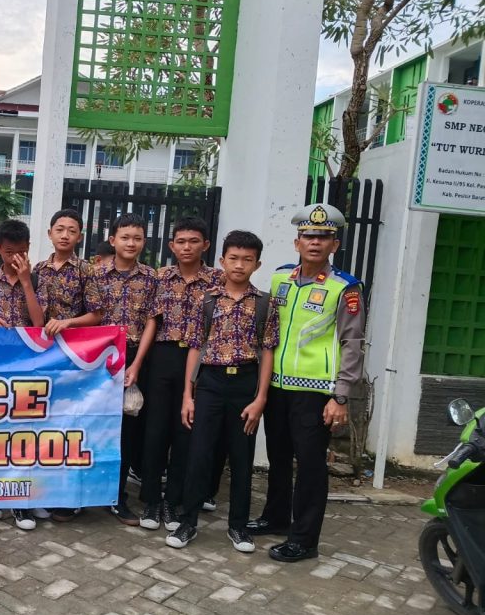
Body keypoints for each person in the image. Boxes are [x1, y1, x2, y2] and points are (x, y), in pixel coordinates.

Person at [248, 203, 366, 563]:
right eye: (309, 236)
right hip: (279, 386)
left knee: (311, 465)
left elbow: (353, 343)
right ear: (297, 242)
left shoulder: (344, 287)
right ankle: (277, 517)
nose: (315, 242)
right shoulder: (280, 279)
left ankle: (304, 540)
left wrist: (341, 397)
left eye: (323, 237)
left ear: (335, 244)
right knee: (278, 457)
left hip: (316, 392)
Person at [169, 230, 279, 553]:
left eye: (247, 260)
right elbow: (194, 347)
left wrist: (260, 399)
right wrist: (188, 396)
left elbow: (268, 351)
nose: (239, 265)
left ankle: (238, 527)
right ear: (221, 261)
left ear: (257, 264)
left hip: (245, 385)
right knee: (199, 453)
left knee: (241, 457)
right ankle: (187, 522)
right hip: (211, 384)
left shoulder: (264, 304)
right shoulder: (207, 300)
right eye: (233, 258)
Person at [139, 217, 221, 531]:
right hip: (163, 357)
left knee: (186, 431)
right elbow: (152, 321)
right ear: (172, 245)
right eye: (181, 242)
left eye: (194, 241)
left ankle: (173, 502)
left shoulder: (218, 280)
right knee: (155, 430)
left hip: (200, 359)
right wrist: (139, 363)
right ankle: (151, 501)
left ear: (206, 245)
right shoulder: (161, 277)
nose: (187, 247)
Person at [84, 213, 157, 525]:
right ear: (112, 240)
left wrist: (137, 364)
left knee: (126, 432)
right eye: (125, 237)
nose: (131, 243)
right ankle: (81, 497)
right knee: (90, 427)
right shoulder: (93, 274)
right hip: (97, 359)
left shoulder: (152, 278)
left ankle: (117, 497)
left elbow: (152, 321)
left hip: (134, 358)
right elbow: (84, 316)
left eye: (137, 238)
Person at [35, 209, 103, 523]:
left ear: (79, 236)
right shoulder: (38, 269)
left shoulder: (87, 270)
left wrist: (67, 322)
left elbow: (97, 315)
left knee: (72, 425)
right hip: (44, 358)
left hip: (75, 358)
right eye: (59, 229)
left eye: (71, 230)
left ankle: (71, 498)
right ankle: (43, 490)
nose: (65, 235)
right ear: (50, 233)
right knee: (44, 424)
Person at [0, 219, 48, 531]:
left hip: (26, 367)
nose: (14, 258)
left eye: (20, 252)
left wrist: (25, 282)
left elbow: (39, 324)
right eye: (9, 252)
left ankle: (23, 500)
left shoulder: (35, 279)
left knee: (25, 432)